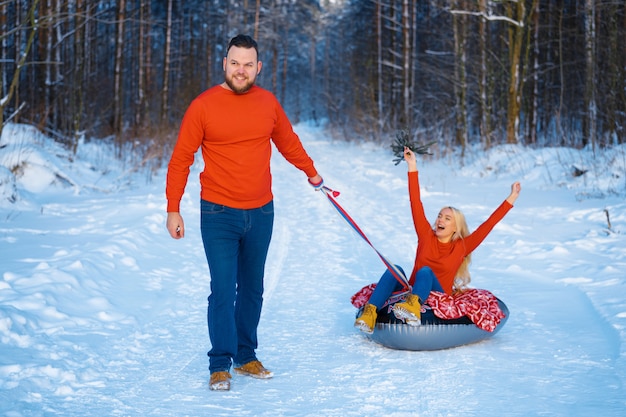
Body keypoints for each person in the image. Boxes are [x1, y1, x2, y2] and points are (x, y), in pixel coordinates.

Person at [165, 34, 323, 391]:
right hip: (218, 212)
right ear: (224, 63)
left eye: (248, 64)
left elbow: (288, 141)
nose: (241, 70)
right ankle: (220, 364)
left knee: (252, 288)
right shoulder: (203, 106)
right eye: (235, 62)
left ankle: (246, 355)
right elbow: (181, 159)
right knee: (223, 290)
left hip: (261, 213)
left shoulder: (267, 102)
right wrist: (173, 208)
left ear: (258, 67)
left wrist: (311, 172)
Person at [355, 146, 521, 333]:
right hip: (412, 289)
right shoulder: (426, 235)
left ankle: (413, 307)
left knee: (425, 272)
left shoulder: (462, 246)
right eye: (440, 216)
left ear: (455, 228)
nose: (440, 220)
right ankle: (370, 314)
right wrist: (412, 166)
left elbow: (488, 224)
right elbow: (415, 202)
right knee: (395, 269)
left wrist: (512, 197)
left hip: (439, 293)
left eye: (447, 218)